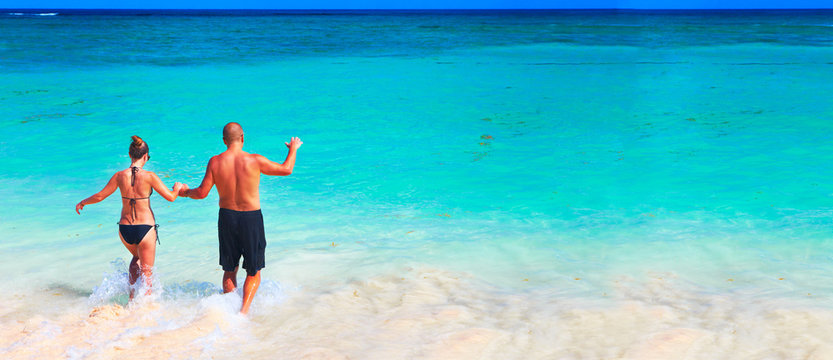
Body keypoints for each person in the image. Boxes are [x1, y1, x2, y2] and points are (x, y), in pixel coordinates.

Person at [179, 122, 301, 314]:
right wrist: (293, 149)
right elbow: (287, 169)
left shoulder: (215, 162)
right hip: (251, 219)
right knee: (253, 271)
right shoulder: (255, 160)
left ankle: (230, 309)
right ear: (243, 138)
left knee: (230, 269)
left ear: (224, 141)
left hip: (227, 218)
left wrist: (185, 192)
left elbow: (202, 193)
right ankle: (243, 313)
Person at [76, 136, 184, 298]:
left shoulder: (119, 176)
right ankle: (143, 312)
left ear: (129, 154)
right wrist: (177, 188)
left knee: (136, 258)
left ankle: (132, 298)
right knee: (147, 275)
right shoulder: (150, 176)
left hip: (125, 229)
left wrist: (83, 202)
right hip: (145, 229)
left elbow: (100, 196)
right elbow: (170, 197)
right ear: (146, 156)